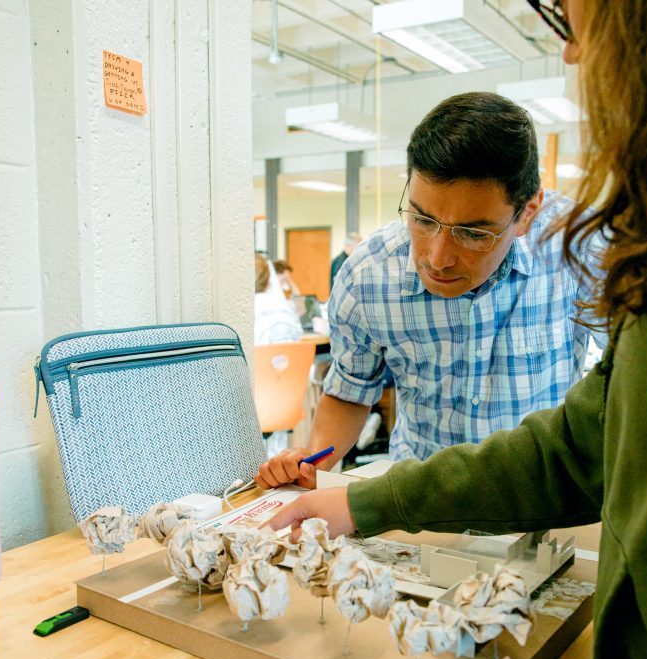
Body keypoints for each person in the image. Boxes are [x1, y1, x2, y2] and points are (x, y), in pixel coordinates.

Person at [267, 1, 647, 659]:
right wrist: (357, 496)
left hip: (605, 634)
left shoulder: (595, 243)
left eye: (578, 21)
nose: (438, 254)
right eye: (425, 221)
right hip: (459, 544)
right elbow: (583, 442)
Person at [256, 91, 605, 490]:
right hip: (420, 502)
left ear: (526, 213)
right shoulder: (368, 276)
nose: (437, 258)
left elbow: (629, 370)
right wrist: (313, 462)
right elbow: (352, 391)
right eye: (422, 219)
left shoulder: (580, 248)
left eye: (473, 233)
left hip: (542, 496)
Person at [253, 254, 302, 345]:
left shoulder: (255, 306)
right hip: (290, 357)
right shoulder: (283, 308)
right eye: (283, 279)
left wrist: (288, 279)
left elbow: (299, 298)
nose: (285, 283)